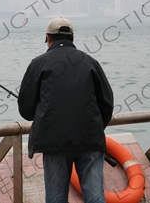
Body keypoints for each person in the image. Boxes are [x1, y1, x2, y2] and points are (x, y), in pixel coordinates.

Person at [17, 17, 114, 203]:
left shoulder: (38, 64)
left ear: (48, 38)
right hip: (90, 138)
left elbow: (26, 109)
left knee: (56, 198)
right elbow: (107, 103)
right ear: (72, 38)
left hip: (53, 141)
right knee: (95, 198)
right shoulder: (90, 62)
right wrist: (94, 127)